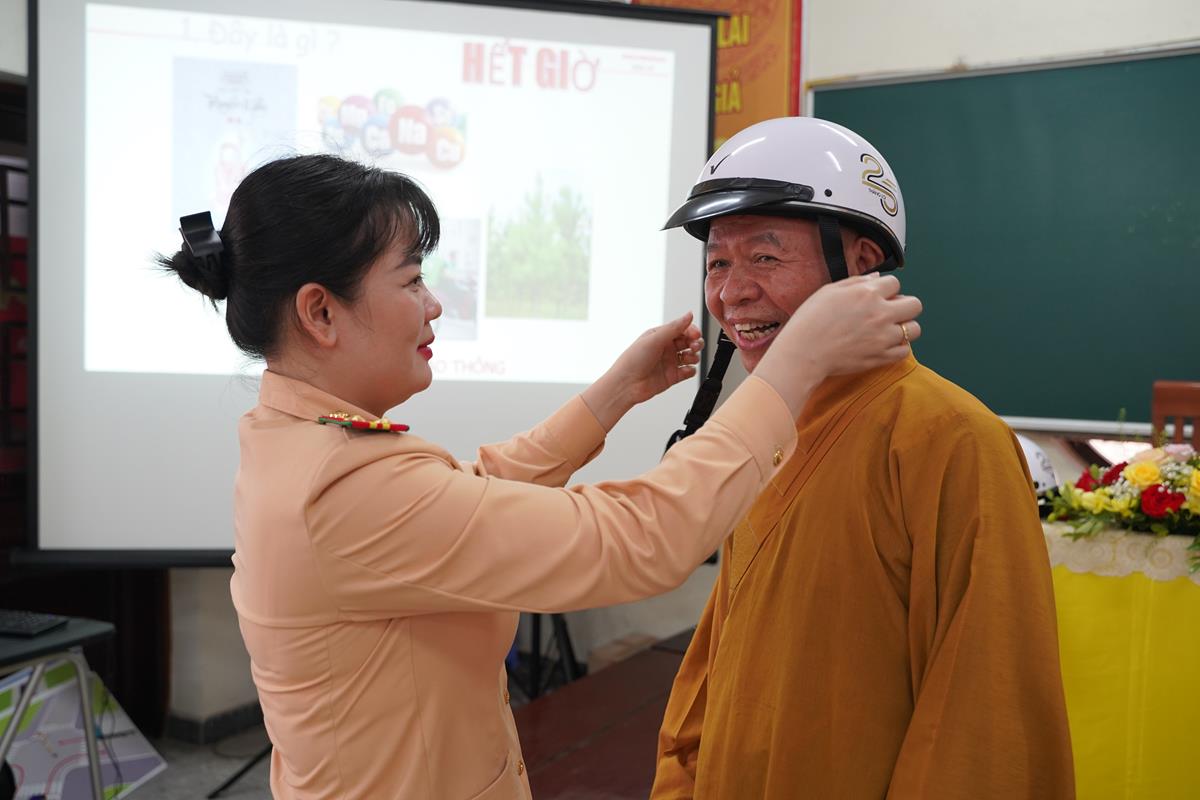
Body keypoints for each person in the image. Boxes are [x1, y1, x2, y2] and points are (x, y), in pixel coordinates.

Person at [160, 153, 922, 800]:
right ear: (320, 313)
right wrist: (794, 366)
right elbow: (640, 539)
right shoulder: (342, 486)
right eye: (412, 280)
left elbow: (474, 492)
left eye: (766, 258)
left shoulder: (297, 443)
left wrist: (615, 394)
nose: (433, 305)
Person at [651, 117, 1074, 799]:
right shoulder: (764, 429)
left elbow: (986, 712)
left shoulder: (953, 438)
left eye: (765, 257)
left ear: (862, 262)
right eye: (717, 263)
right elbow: (715, 665)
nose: (731, 294)